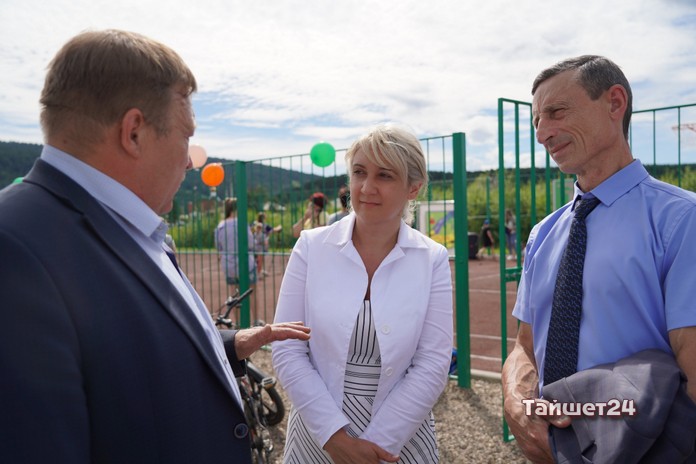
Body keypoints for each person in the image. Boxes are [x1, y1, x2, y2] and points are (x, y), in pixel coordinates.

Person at [0, 29, 310, 464]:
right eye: (185, 136)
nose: (189, 160)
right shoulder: (13, 249)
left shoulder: (130, 225)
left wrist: (225, 345)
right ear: (134, 133)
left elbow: (117, 363)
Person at [502, 55, 696, 463]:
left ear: (614, 103)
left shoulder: (682, 220)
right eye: (536, 120)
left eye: (556, 112)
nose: (542, 133)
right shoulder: (542, 234)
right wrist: (518, 402)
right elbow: (524, 345)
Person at [272, 124, 453, 464]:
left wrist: (378, 445)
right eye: (359, 172)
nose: (367, 187)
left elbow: (433, 362)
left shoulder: (432, 258)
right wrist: (333, 437)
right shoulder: (311, 247)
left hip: (400, 440)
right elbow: (287, 348)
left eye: (384, 175)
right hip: (316, 435)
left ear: (413, 188)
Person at [215, 197, 260, 323]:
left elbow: (218, 246)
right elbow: (251, 243)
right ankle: (256, 320)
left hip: (229, 265)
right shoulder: (241, 223)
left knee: (234, 294)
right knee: (252, 291)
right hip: (245, 264)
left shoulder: (220, 226)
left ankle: (238, 323)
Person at [252, 211, 282, 277]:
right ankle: (258, 273)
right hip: (261, 245)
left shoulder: (254, 224)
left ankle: (258, 271)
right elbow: (274, 230)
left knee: (255, 259)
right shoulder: (264, 225)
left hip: (253, 244)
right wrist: (279, 227)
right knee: (260, 260)